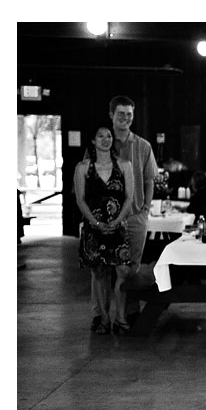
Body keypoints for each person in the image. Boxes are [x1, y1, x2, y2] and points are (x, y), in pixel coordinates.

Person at [74, 122, 135, 335]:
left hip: (118, 224)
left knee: (123, 271)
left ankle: (121, 317)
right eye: (100, 136)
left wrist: (117, 220)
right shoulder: (83, 168)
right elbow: (80, 200)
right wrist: (96, 223)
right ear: (93, 140)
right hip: (94, 226)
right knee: (99, 272)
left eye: (108, 136)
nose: (106, 139)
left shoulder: (124, 165)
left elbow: (129, 197)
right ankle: (104, 318)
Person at [109, 96, 159, 323]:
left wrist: (146, 209)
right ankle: (103, 315)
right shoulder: (101, 144)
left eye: (129, 114)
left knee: (132, 268)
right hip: (108, 219)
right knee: (106, 271)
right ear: (111, 114)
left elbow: (150, 180)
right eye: (121, 114)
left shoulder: (143, 146)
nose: (126, 118)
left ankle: (130, 313)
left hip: (136, 216)